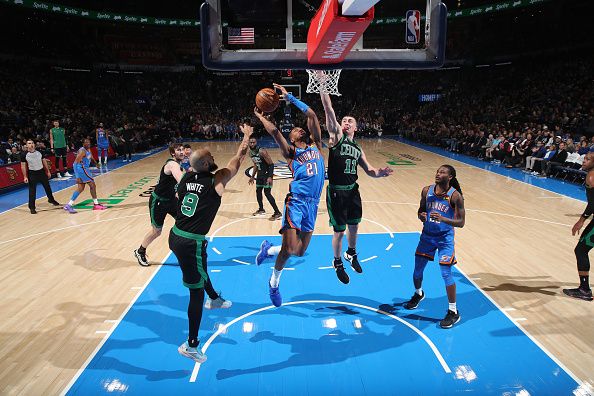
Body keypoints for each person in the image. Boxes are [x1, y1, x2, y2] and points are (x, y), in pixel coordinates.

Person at [173, 124, 252, 363]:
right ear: (206, 165)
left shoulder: (186, 177)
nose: (214, 157)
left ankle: (215, 299)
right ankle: (191, 344)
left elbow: (179, 196)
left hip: (179, 235)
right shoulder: (215, 181)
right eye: (210, 156)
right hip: (190, 242)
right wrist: (246, 136)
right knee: (195, 293)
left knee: (202, 269)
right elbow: (237, 161)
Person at [254, 83, 325, 307]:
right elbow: (275, 131)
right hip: (296, 202)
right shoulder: (291, 152)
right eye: (294, 129)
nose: (298, 129)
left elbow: (312, 114)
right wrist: (260, 117)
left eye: (299, 128)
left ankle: (268, 249)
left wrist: (290, 98)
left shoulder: (317, 145)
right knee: (288, 249)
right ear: (292, 138)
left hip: (313, 205)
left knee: (300, 251)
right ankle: (274, 283)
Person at [319, 90, 393, 284]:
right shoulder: (336, 137)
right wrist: (322, 85)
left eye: (350, 121)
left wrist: (380, 173)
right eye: (344, 120)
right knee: (339, 231)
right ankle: (337, 262)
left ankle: (351, 253)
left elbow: (369, 170)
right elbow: (328, 109)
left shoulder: (358, 148)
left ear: (356, 127)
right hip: (337, 190)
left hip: (353, 190)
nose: (346, 122)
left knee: (354, 226)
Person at [404, 165, 466, 329]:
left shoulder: (455, 196)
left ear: (450, 177)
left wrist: (444, 219)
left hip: (445, 238)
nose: (438, 174)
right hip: (427, 237)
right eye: (437, 171)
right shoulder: (426, 190)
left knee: (446, 272)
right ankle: (418, 294)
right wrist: (421, 216)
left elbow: (461, 223)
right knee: (417, 271)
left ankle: (453, 311)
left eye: (443, 172)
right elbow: (420, 211)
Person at [134, 143, 186, 267]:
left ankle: (183, 249)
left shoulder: (179, 165)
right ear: (173, 153)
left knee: (184, 222)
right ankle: (140, 251)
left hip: (171, 200)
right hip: (158, 202)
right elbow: (182, 180)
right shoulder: (171, 164)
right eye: (179, 150)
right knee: (157, 231)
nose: (182, 152)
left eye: (183, 149)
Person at [564, 152, 594, 301]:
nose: (583, 161)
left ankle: (585, 290)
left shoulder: (591, 176)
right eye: (584, 158)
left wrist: (581, 220)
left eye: (587, 159)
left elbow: (593, 204)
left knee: (581, 250)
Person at [63, 138, 107, 213]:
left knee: (80, 188)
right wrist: (77, 177)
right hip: (82, 169)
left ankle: (68, 205)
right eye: (86, 142)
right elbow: (75, 163)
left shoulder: (88, 150)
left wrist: (96, 163)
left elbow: (91, 157)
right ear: (83, 144)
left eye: (89, 142)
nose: (88, 143)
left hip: (85, 169)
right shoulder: (82, 151)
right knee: (92, 185)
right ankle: (96, 204)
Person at [20, 139, 60, 214]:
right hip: (32, 174)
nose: (31, 144)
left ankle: (51, 199)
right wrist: (25, 176)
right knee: (32, 191)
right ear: (26, 145)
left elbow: (44, 161)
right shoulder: (24, 154)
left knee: (47, 187)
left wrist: (47, 171)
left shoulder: (40, 152)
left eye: (32, 143)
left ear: (34, 144)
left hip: (41, 172)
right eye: (29, 143)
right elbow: (23, 166)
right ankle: (32, 207)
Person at [248, 136, 282, 220]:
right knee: (258, 191)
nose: (252, 144)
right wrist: (252, 176)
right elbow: (256, 164)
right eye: (251, 142)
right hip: (259, 175)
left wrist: (270, 176)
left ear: (256, 143)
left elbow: (271, 164)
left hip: (267, 175)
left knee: (267, 193)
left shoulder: (262, 151)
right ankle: (261, 209)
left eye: (253, 142)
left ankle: (277, 212)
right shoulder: (250, 152)